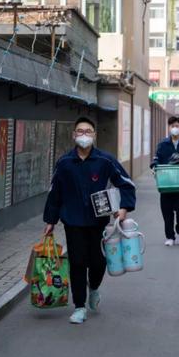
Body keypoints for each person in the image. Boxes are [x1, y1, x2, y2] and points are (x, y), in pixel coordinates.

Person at [43, 117, 136, 324]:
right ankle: (79, 306)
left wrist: (124, 208)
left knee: (98, 261)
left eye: (88, 131)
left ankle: (93, 288)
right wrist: (51, 220)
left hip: (99, 222)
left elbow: (126, 183)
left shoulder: (105, 160)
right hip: (73, 221)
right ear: (74, 135)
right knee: (77, 263)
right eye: (80, 131)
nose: (84, 135)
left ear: (94, 136)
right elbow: (54, 192)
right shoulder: (65, 162)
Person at [150, 116, 179, 246]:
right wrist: (154, 166)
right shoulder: (163, 144)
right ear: (169, 127)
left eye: (176, 125)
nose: (174, 128)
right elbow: (156, 158)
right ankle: (170, 237)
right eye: (172, 126)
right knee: (167, 212)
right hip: (166, 183)